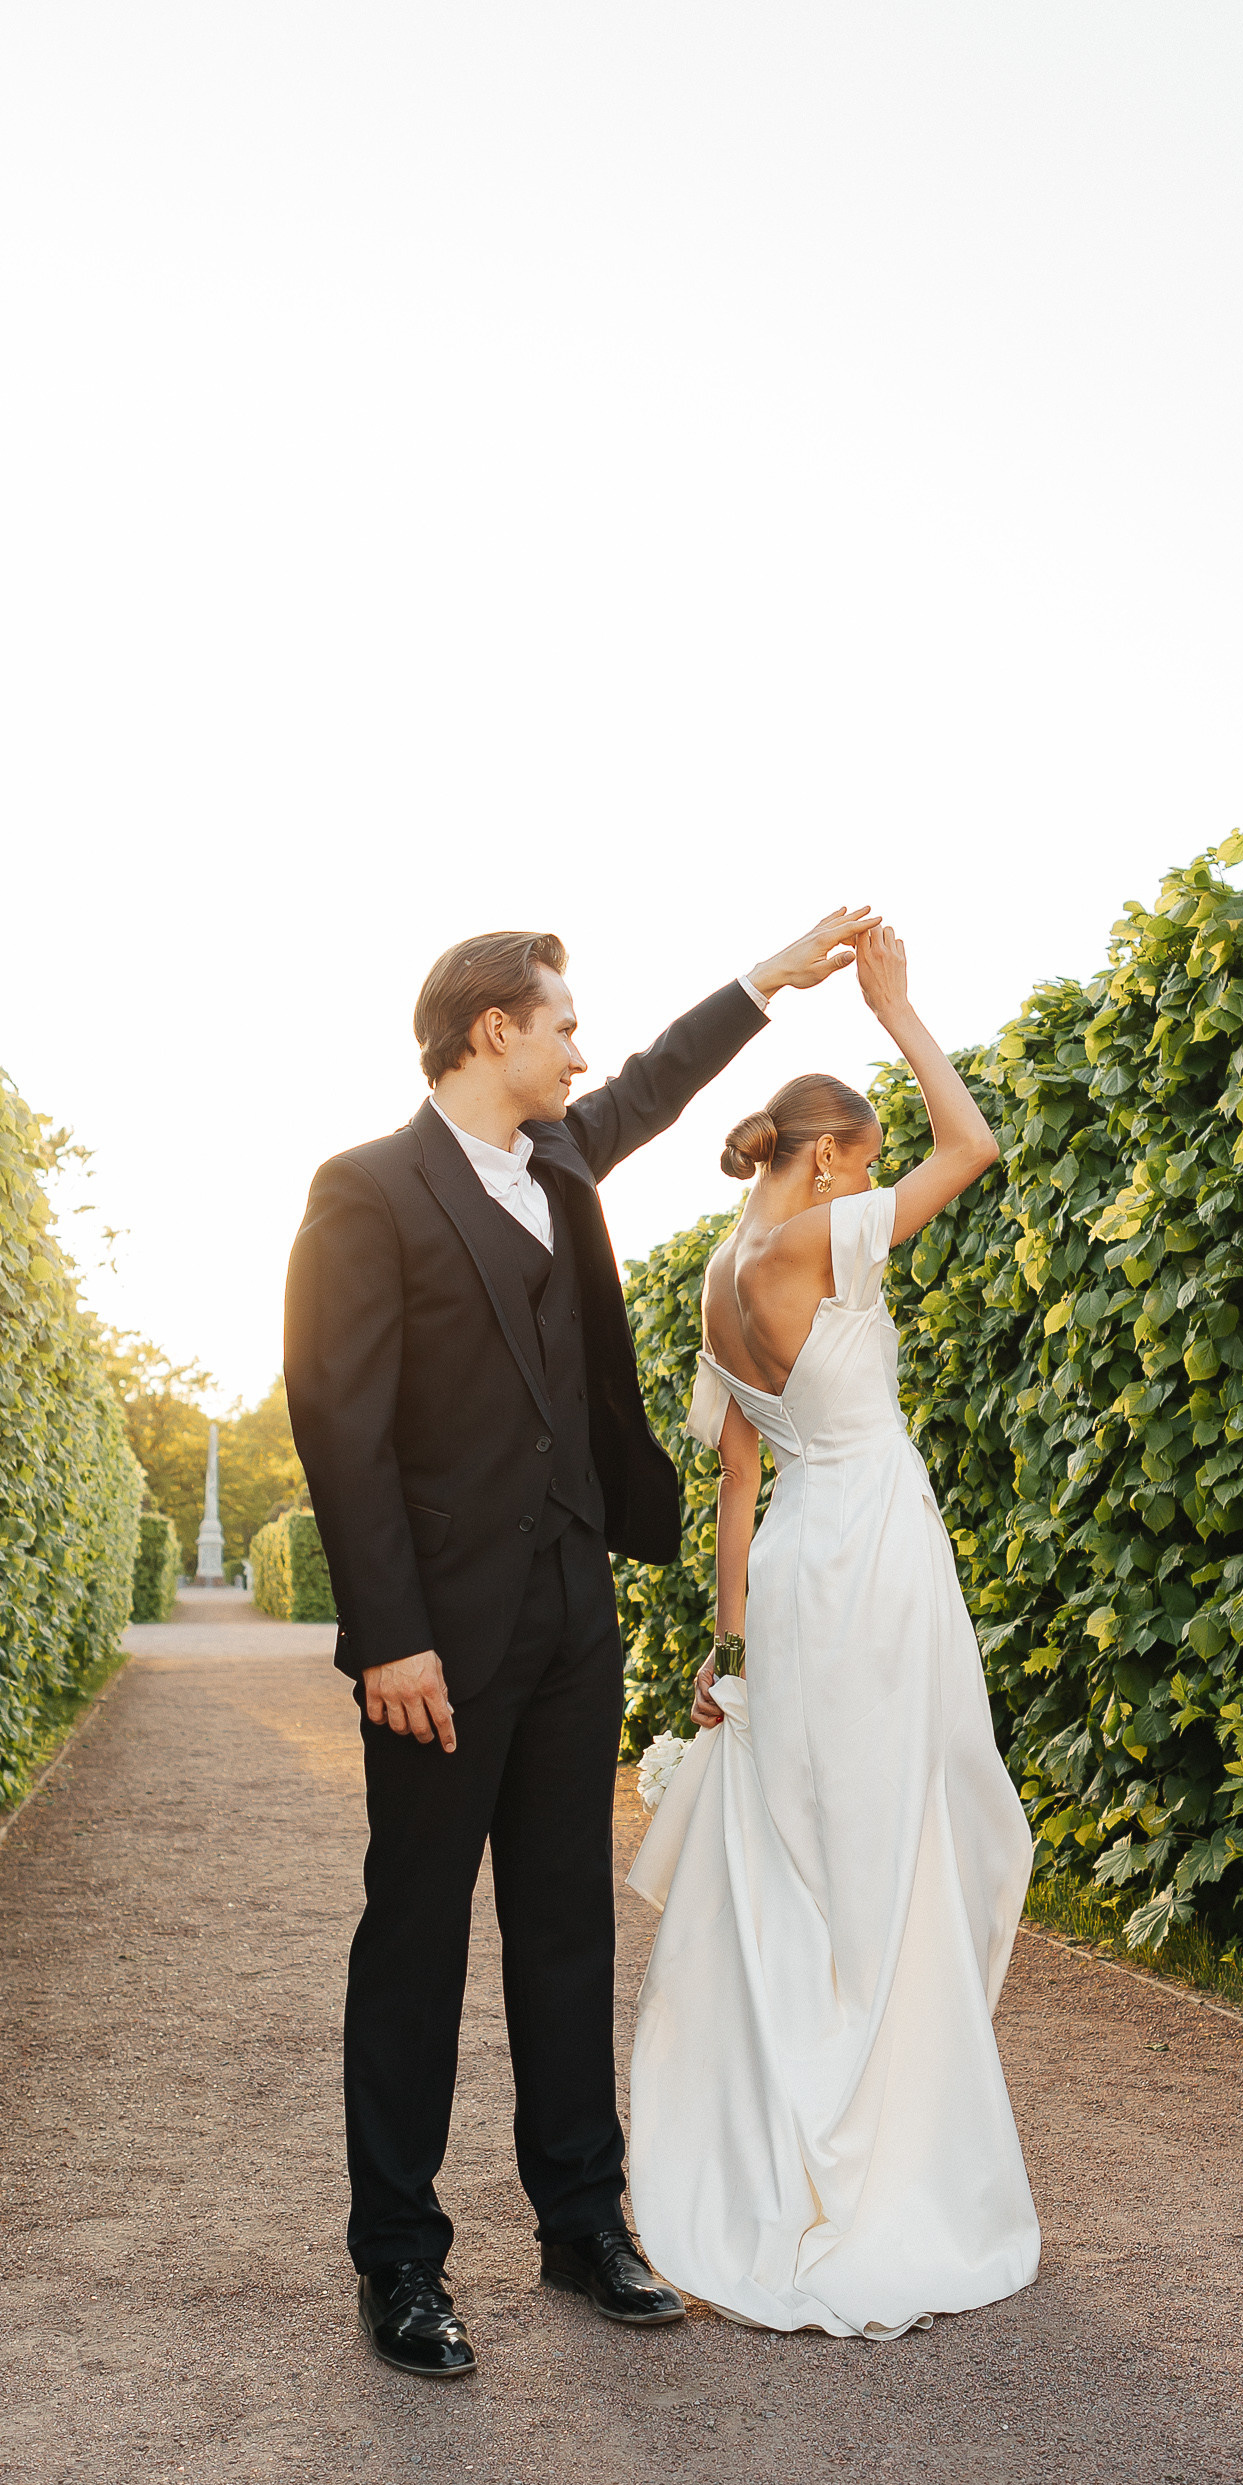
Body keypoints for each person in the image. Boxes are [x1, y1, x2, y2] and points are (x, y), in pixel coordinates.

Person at [284, 910, 877, 2380]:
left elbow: (657, 1086)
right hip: (438, 1641)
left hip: (569, 1610)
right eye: (560, 1023)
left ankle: (578, 2222)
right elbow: (338, 1427)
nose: (580, 1049)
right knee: (414, 1941)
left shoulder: (557, 1160)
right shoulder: (365, 1192)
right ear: (495, 1031)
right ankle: (402, 2266)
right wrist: (389, 1639)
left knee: (567, 1923)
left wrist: (769, 980)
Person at [626, 922, 1040, 2338]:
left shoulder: (714, 1277)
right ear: (821, 1160)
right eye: (862, 1159)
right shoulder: (816, 1233)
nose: (874, 1180)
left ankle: (804, 2117)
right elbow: (971, 1147)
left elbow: (737, 1487)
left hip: (800, 1566)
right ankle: (875, 2152)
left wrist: (730, 1650)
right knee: (897, 1830)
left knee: (808, 1836)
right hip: (872, 1555)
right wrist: (902, 1013)